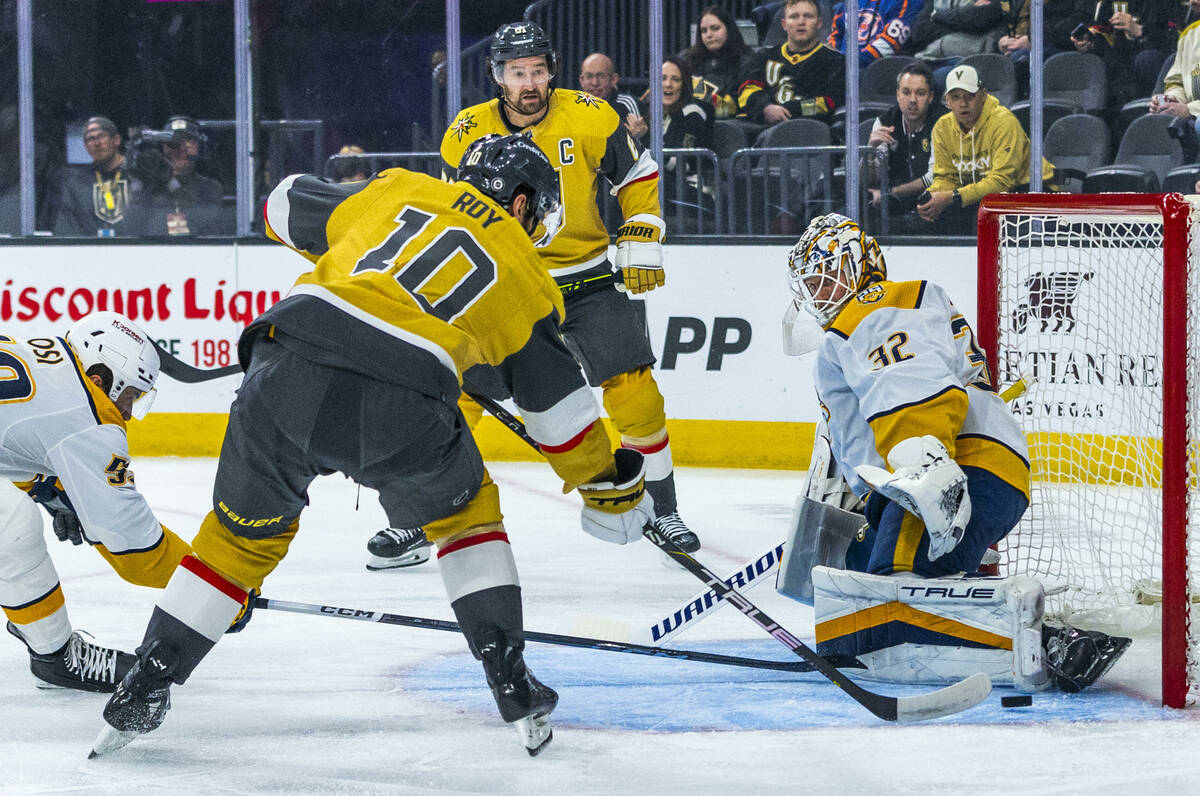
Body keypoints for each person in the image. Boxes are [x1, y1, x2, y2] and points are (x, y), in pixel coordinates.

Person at [91, 134, 657, 758]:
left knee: (234, 542)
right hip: (402, 409)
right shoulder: (528, 277)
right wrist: (610, 489)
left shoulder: (397, 188)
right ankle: (506, 670)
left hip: (283, 371)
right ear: (522, 204)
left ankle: (149, 678)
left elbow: (282, 204)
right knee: (466, 522)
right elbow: (562, 418)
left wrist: (348, 238)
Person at [367, 21, 699, 572]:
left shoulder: (593, 116)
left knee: (635, 393)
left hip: (584, 275)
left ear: (553, 71)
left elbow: (637, 172)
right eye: (518, 72)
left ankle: (664, 511)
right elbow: (456, 210)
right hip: (504, 283)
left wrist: (641, 229)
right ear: (498, 76)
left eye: (538, 71)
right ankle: (419, 518)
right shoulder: (466, 132)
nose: (530, 83)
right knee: (453, 395)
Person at [780, 213, 1130, 694]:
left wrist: (924, 462)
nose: (819, 294)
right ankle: (989, 604)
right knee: (858, 603)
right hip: (977, 471)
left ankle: (1042, 643)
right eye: (811, 286)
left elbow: (911, 388)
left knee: (890, 596)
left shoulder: (877, 304)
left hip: (946, 474)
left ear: (860, 263)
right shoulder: (866, 326)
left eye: (826, 277)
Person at [1, 312, 192, 693]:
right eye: (130, 396)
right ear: (101, 379)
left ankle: (40, 629)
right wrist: (210, 587)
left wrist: (46, 489)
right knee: (11, 525)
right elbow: (136, 551)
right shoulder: (89, 415)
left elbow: (10, 439)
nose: (126, 414)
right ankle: (56, 657)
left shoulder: (41, 358)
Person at [917, 65, 1053, 234]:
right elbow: (946, 177)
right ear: (948, 101)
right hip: (983, 192)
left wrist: (954, 197)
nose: (963, 103)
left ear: (983, 95)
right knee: (936, 217)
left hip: (1034, 189)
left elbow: (1003, 181)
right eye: (956, 97)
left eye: (970, 96)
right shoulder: (942, 128)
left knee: (984, 217)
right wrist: (933, 194)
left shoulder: (1003, 122)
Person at [738, 0, 847, 126]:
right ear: (784, 24)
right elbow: (746, 89)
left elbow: (831, 101)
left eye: (808, 16)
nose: (801, 22)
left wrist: (789, 110)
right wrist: (765, 107)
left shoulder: (834, 60)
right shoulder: (764, 56)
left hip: (807, 128)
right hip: (760, 123)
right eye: (794, 17)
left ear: (819, 23)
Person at [862, 61, 939, 231]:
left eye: (920, 93)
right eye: (906, 92)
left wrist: (889, 192)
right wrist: (869, 152)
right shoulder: (885, 121)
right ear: (897, 95)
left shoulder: (941, 122)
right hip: (895, 207)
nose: (912, 100)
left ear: (930, 97)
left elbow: (932, 177)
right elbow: (869, 180)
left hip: (933, 206)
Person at [135, 116, 233, 237]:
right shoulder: (149, 186)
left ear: (198, 147)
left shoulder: (210, 187)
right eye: (174, 143)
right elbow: (132, 223)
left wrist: (171, 182)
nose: (182, 148)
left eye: (189, 141)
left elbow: (204, 218)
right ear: (163, 147)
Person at [53, 116, 146, 238]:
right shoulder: (76, 185)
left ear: (116, 140)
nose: (96, 143)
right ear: (86, 147)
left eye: (101, 136)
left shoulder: (141, 175)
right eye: (90, 139)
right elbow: (66, 229)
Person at [679, 6, 759, 118]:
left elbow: (738, 105)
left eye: (715, 28)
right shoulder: (686, 58)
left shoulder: (746, 61)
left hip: (724, 125)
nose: (709, 35)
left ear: (729, 29)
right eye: (703, 31)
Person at [1148, 0, 1200, 159]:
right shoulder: (1190, 35)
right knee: (1150, 123)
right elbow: (1176, 81)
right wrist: (1172, 98)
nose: (1193, 2)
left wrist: (1188, 110)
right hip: (1189, 119)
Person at [827, 0, 922, 65]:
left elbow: (889, 43)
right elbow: (835, 35)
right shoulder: (850, 3)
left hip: (878, 72)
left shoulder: (907, 2)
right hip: (842, 68)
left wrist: (846, 63)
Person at [578, 52, 643, 132]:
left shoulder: (627, 104)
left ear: (613, 79)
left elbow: (639, 141)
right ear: (582, 80)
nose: (595, 83)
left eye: (601, 76)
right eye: (589, 76)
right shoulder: (572, 107)